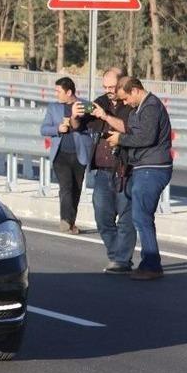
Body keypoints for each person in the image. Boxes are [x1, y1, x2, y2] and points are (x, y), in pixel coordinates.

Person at [106, 77, 173, 281]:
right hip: (143, 166)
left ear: (135, 90)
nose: (125, 103)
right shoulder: (139, 109)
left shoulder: (151, 107)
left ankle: (151, 265)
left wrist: (121, 139)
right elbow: (137, 133)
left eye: (126, 99)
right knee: (141, 216)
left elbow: (146, 138)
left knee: (142, 217)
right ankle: (150, 262)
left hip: (152, 168)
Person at [74, 68, 136, 274]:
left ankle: (121, 260)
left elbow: (129, 129)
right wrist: (75, 115)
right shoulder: (99, 101)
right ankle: (116, 255)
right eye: (106, 87)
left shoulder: (131, 104)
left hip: (125, 170)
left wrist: (105, 116)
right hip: (102, 171)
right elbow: (78, 126)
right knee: (102, 217)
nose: (109, 91)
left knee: (127, 219)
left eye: (113, 87)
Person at [40, 77, 94, 234]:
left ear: (69, 92)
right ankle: (65, 221)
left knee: (76, 189)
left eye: (58, 91)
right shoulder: (53, 108)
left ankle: (71, 222)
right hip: (60, 155)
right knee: (66, 187)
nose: (56, 94)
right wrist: (58, 128)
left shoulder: (85, 106)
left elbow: (93, 124)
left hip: (80, 154)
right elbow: (43, 129)